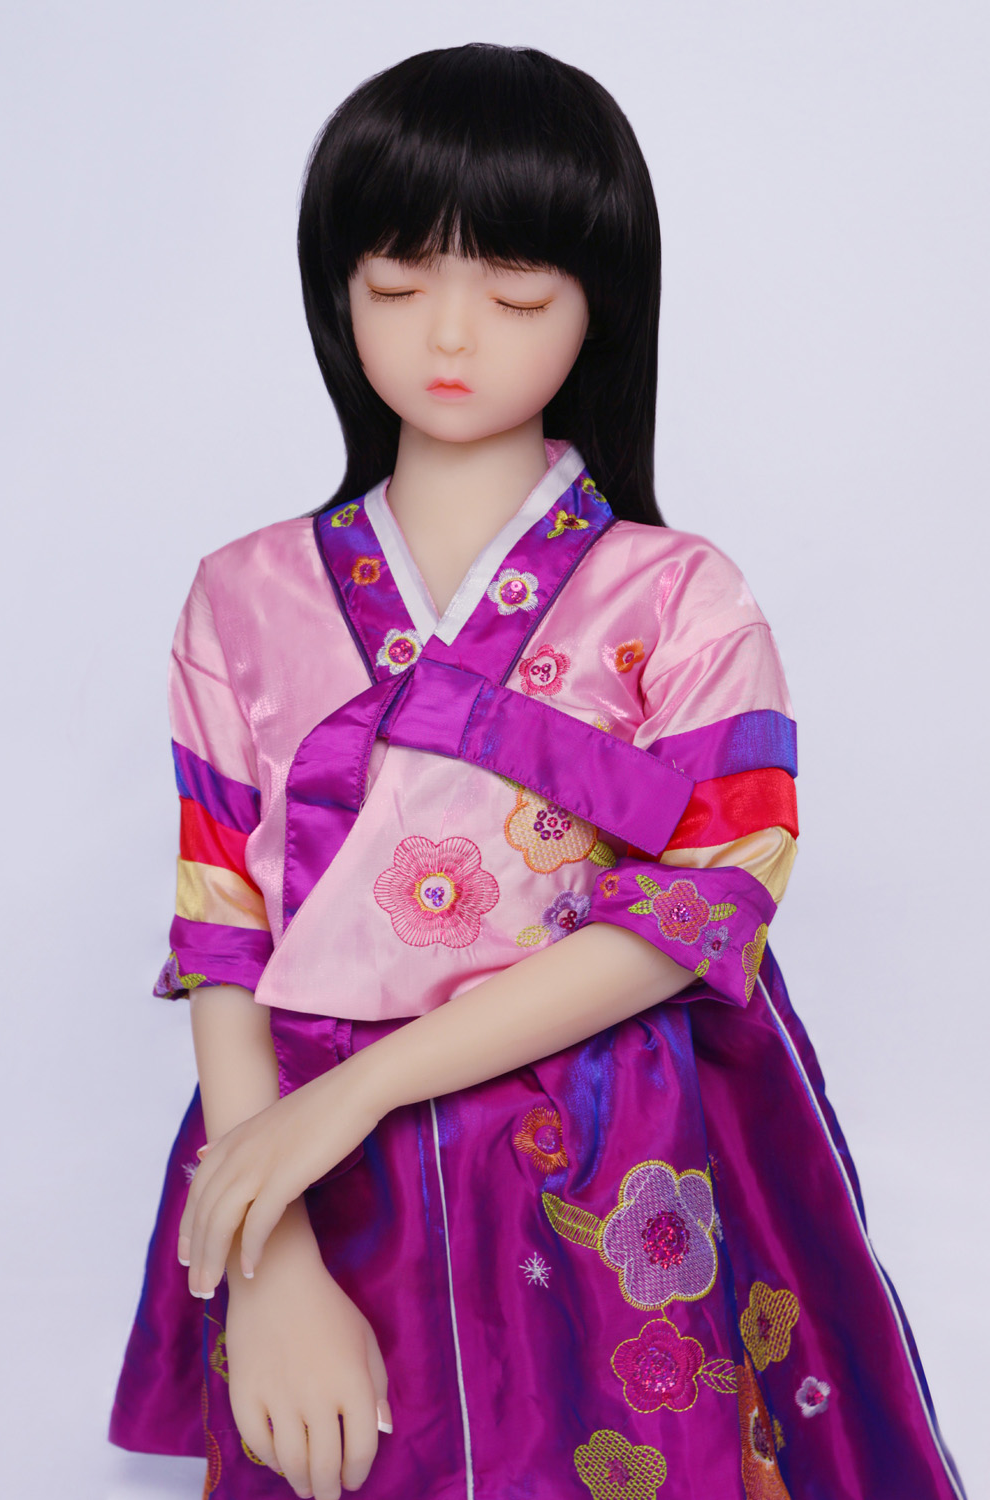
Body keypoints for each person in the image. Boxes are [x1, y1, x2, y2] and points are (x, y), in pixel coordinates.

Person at [109, 43, 966, 1500]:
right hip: (311, 1165)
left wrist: (361, 1091)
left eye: (514, 293)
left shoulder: (682, 599)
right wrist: (268, 1244)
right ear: (336, 292)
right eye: (398, 283)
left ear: (596, 306)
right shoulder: (241, 598)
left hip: (609, 1148)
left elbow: (705, 903)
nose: (452, 333)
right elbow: (221, 933)